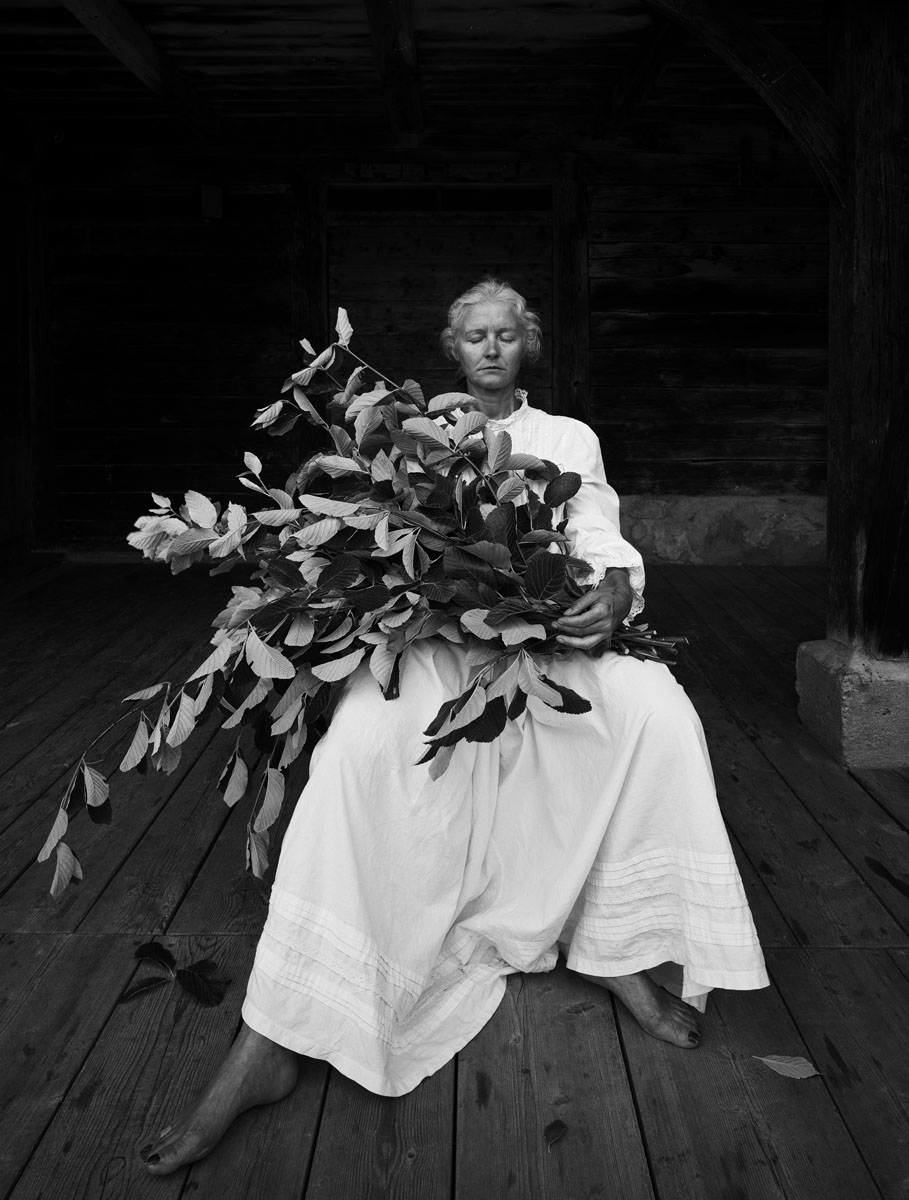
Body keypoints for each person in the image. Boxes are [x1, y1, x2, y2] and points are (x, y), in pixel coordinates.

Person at [140, 278, 768, 1175]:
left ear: (528, 345)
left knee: (660, 715)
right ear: (450, 346)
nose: (488, 348)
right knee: (357, 749)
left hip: (544, 631)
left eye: (505, 334)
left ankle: (615, 943)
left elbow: (592, 521)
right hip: (432, 636)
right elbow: (371, 536)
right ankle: (271, 1038)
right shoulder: (400, 429)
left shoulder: (563, 438)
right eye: (473, 335)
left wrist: (615, 586)